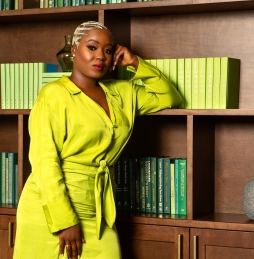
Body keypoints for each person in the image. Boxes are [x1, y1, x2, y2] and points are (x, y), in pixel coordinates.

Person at [13, 21, 182, 259]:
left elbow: (169, 97)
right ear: (74, 49)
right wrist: (63, 220)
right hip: (50, 209)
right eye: (92, 47)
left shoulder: (122, 92)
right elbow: (43, 162)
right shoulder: (53, 95)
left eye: (108, 50)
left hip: (99, 207)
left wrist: (135, 63)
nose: (100, 56)